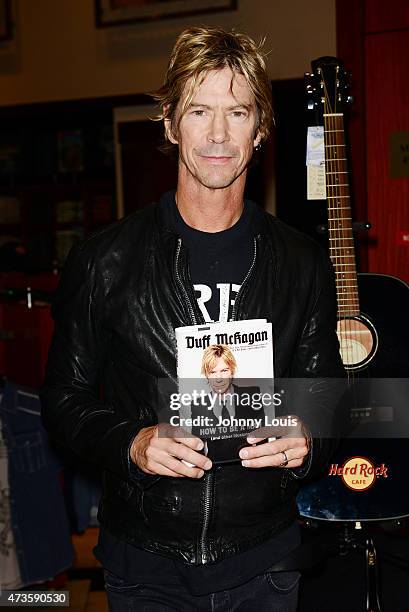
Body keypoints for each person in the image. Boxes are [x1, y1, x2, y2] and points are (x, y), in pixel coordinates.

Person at [41, 26, 344, 611]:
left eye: (237, 112)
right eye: (199, 110)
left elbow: (328, 391)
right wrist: (131, 442)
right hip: (146, 563)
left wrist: (310, 434)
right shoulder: (104, 262)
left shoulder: (303, 262)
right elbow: (63, 398)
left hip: (266, 560)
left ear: (260, 131)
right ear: (170, 122)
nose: (217, 134)